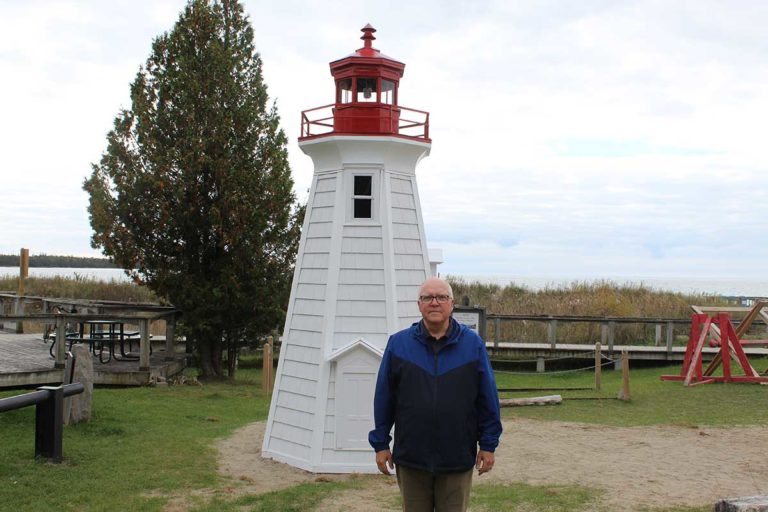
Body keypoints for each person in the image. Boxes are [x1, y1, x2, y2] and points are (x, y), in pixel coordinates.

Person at [368, 277, 502, 512]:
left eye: (441, 297)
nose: (434, 303)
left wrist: (488, 444)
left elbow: (487, 398)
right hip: (412, 458)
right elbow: (384, 398)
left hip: (457, 457)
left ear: (451, 304)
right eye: (427, 297)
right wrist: (381, 444)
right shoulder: (398, 345)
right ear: (419, 304)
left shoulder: (473, 345)